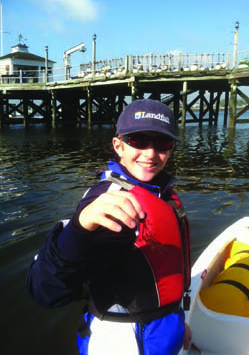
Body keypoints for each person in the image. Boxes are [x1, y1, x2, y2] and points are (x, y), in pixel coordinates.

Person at [26, 99, 192, 355]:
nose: (150, 153)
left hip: (166, 331)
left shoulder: (161, 190)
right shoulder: (104, 204)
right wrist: (79, 229)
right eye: (138, 140)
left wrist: (178, 321)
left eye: (162, 143)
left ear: (170, 150)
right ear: (119, 145)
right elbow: (45, 290)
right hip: (123, 342)